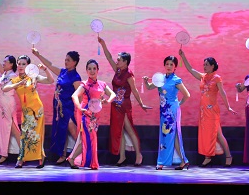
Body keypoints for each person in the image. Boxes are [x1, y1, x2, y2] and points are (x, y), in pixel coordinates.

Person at [179, 48, 237, 168]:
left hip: (212, 110)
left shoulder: (217, 78)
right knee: (207, 134)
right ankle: (208, 157)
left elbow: (222, 93)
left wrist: (228, 107)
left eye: (206, 64)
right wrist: (183, 56)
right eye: (204, 64)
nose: (204, 66)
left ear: (212, 66)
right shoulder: (203, 76)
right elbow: (190, 69)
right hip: (203, 110)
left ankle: (227, 156)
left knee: (218, 134)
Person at [98, 37, 151, 167]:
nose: (117, 61)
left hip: (124, 106)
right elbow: (108, 57)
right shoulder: (117, 70)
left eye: (119, 60)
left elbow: (135, 90)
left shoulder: (129, 75)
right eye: (117, 59)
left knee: (129, 129)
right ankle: (122, 157)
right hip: (115, 105)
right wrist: (103, 44)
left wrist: (141, 104)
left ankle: (138, 155)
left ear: (125, 62)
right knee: (119, 131)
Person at [31, 48, 81, 165]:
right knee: (61, 131)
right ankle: (63, 155)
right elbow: (50, 65)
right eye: (65, 60)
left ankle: (82, 153)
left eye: (68, 60)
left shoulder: (76, 77)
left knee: (73, 131)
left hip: (68, 108)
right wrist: (38, 55)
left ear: (74, 62)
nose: (66, 62)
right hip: (58, 108)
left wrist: (80, 110)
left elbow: (80, 95)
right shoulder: (63, 72)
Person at [3, 54, 54, 168]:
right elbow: (4, 88)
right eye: (19, 64)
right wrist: (18, 84)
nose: (21, 66)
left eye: (23, 64)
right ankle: (23, 158)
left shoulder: (33, 76)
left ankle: (39, 158)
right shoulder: (15, 80)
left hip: (36, 110)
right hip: (26, 112)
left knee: (37, 134)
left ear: (28, 66)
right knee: (25, 134)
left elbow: (50, 80)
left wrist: (45, 69)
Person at [66, 59, 116, 170]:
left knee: (88, 139)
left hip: (96, 116)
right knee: (90, 138)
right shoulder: (85, 85)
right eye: (89, 69)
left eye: (94, 69)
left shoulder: (102, 84)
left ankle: (72, 158)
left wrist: (108, 101)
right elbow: (74, 96)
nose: (92, 71)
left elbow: (113, 94)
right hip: (86, 114)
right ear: (86, 70)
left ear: (98, 70)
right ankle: (90, 162)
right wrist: (79, 108)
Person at [143, 55, 191, 170]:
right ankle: (184, 161)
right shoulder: (161, 78)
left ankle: (161, 162)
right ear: (164, 65)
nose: (169, 66)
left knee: (166, 135)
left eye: (171, 64)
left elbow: (187, 95)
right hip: (164, 111)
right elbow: (149, 87)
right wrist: (145, 81)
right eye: (167, 64)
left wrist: (178, 104)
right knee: (172, 136)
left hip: (172, 111)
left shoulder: (176, 80)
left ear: (175, 67)